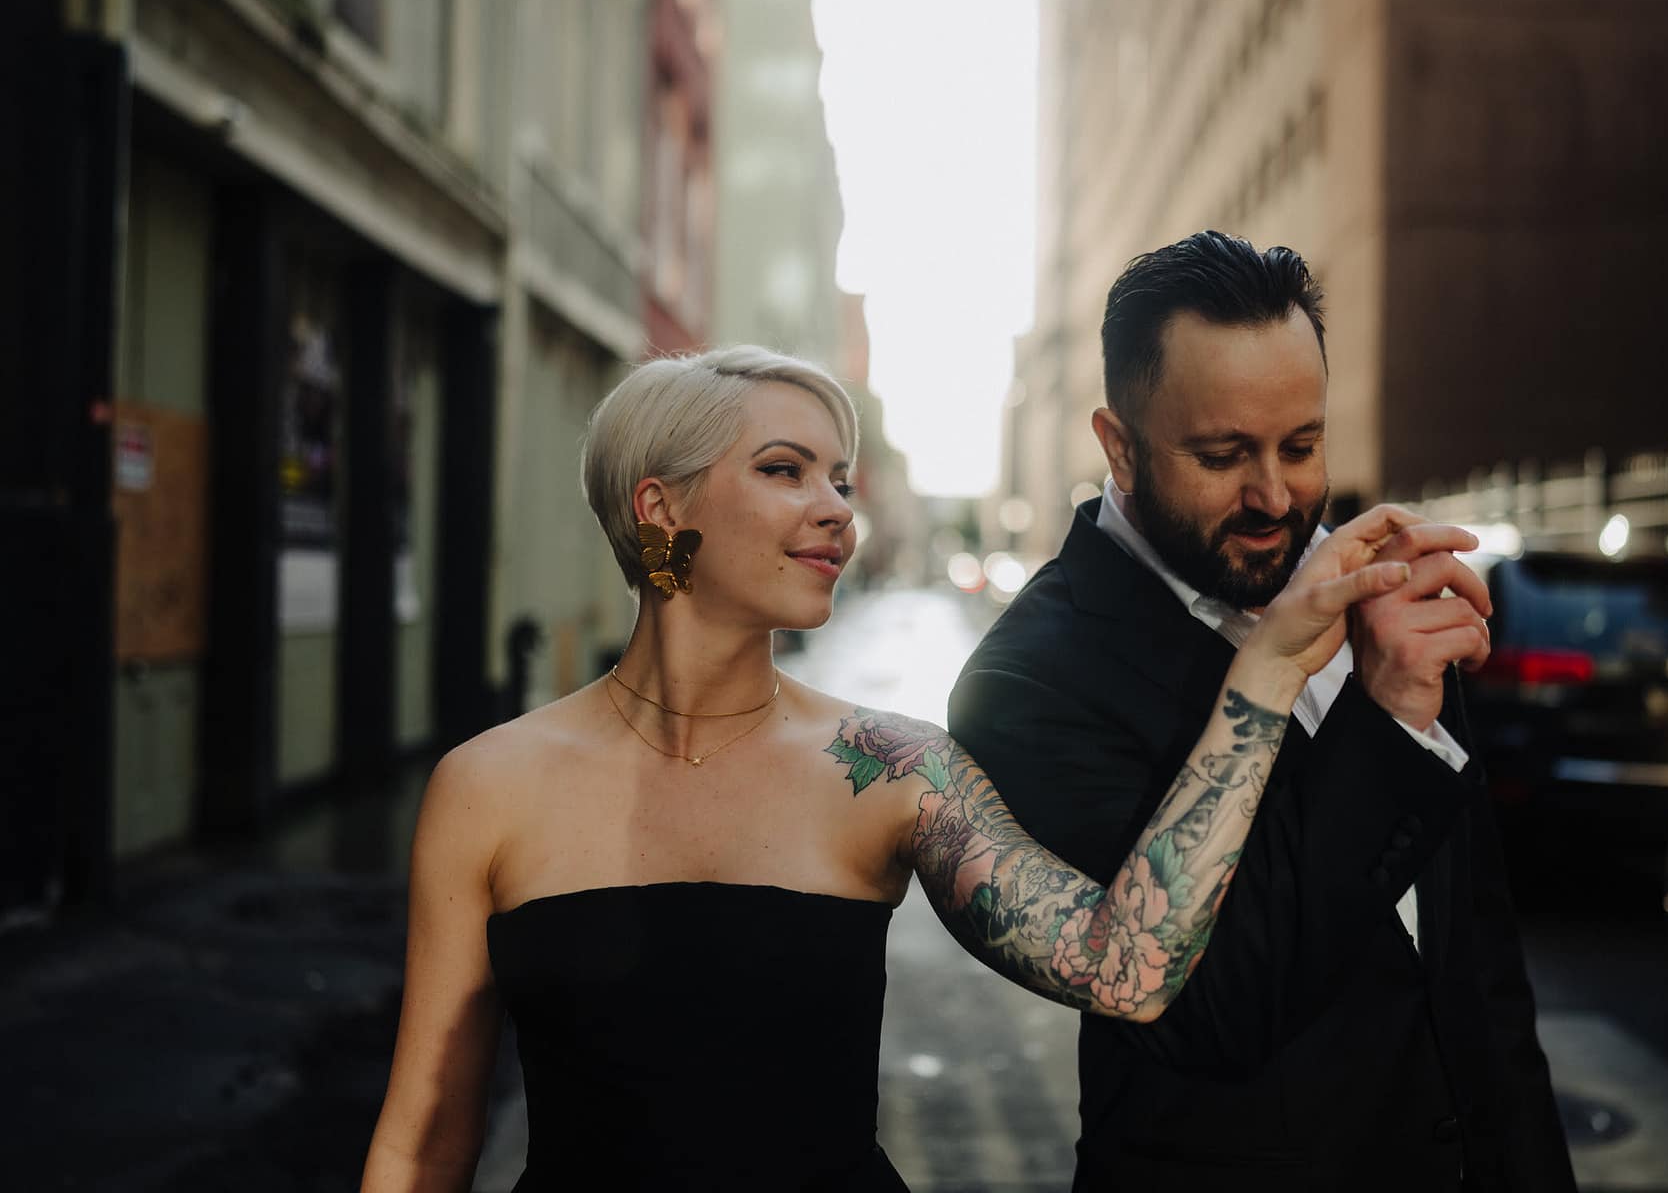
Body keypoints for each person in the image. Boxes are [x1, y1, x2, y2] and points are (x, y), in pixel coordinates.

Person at [359, 344, 1465, 1191]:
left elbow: (1126, 967)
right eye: (785, 471)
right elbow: (424, 1134)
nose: (838, 511)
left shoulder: (893, 769)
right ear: (662, 509)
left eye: (841, 480)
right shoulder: (490, 787)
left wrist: (1265, 674)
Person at [949, 232, 1577, 1191]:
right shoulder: (1028, 683)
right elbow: (1207, 1012)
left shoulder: (1381, 592)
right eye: (1223, 455)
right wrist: (1384, 719)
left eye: (1303, 446)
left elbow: (1479, 963)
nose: (1276, 497)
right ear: (1119, 447)